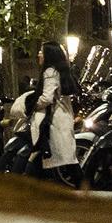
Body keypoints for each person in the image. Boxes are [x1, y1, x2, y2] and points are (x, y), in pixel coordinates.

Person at [23, 41, 79, 180]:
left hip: (54, 121)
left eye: (41, 51)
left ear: (49, 55)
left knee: (60, 157)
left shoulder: (50, 72)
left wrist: (33, 106)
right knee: (62, 157)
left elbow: (47, 98)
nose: (39, 54)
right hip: (63, 118)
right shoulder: (61, 71)